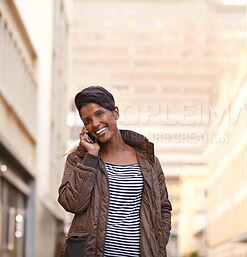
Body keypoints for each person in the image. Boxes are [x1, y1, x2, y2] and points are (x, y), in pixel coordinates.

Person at [58, 86, 172, 257]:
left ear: (116, 113)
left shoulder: (148, 161)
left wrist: (157, 243)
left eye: (99, 114)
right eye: (87, 120)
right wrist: (91, 157)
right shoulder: (79, 159)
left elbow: (163, 208)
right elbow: (72, 204)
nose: (95, 124)